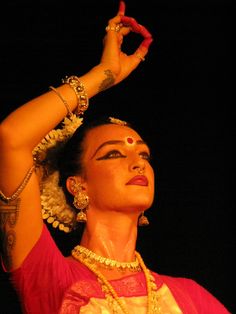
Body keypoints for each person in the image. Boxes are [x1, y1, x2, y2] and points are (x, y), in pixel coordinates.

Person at [0, 1, 230, 313]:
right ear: (77, 185)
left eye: (144, 154)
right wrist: (102, 75)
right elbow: (12, 137)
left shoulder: (190, 296)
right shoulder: (50, 277)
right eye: (113, 154)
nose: (139, 163)